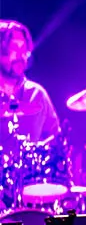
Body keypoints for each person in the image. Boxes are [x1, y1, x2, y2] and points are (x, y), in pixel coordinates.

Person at [1, 20, 61, 206]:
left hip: (31, 193)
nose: (21, 56)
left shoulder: (37, 95)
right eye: (14, 48)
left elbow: (56, 141)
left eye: (24, 50)